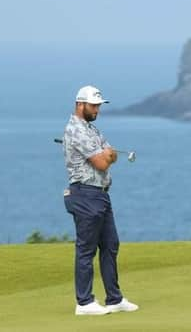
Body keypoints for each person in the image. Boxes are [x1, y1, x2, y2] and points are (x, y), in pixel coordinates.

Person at [62, 85, 139, 316]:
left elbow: (110, 152)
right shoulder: (75, 130)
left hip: (101, 195)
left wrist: (107, 154)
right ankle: (84, 302)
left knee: (110, 245)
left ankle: (114, 299)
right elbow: (102, 162)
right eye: (93, 105)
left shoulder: (92, 130)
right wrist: (106, 155)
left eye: (98, 105)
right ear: (80, 105)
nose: (97, 109)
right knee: (86, 250)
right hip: (85, 194)